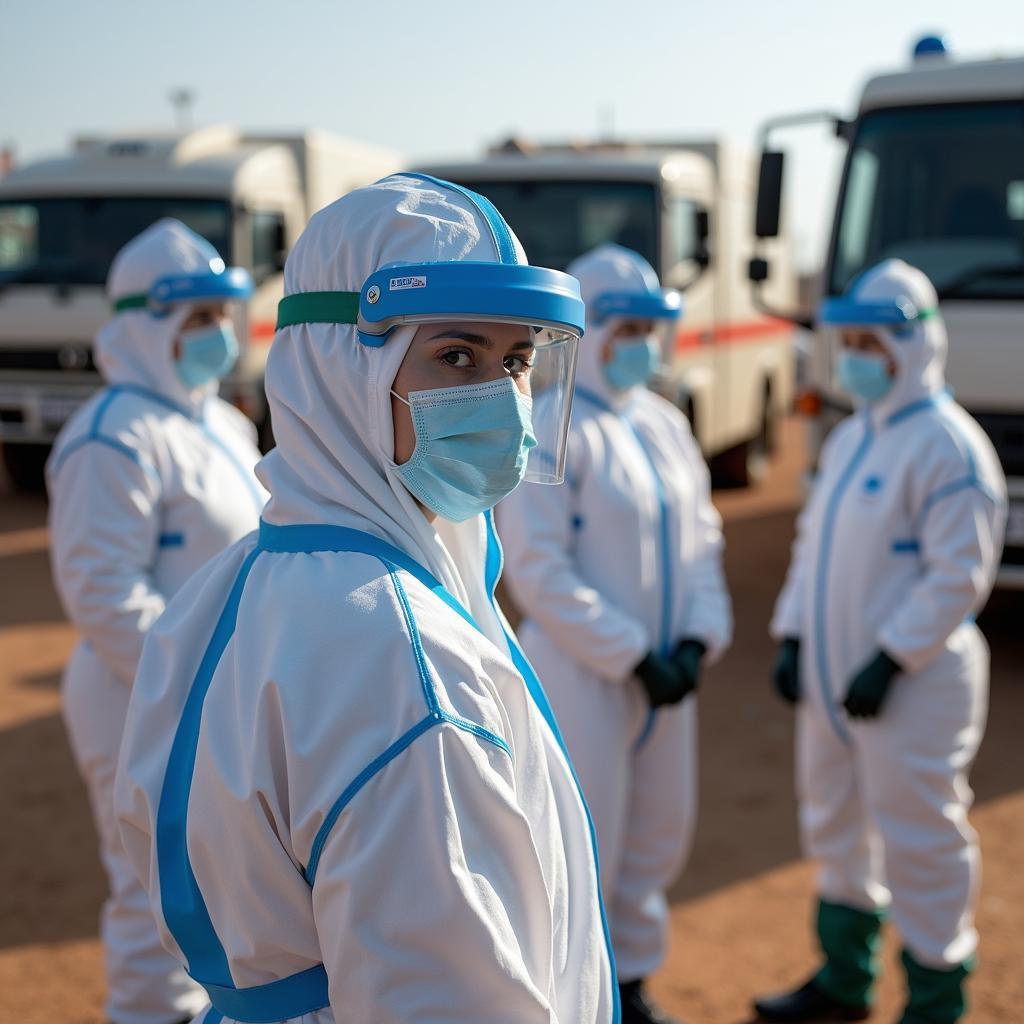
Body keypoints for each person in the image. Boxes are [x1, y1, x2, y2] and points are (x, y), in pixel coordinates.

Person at [114, 174, 618, 1024]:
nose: (501, 397)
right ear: (342, 367)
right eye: (456, 355)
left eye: (518, 361)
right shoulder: (403, 658)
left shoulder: (241, 581)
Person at [755, 259, 1007, 1024]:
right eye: (852, 340)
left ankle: (935, 1000)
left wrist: (894, 656)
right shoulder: (855, 436)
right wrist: (796, 634)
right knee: (833, 825)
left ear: (914, 344)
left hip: (913, 687)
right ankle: (845, 979)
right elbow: (812, 547)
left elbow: (958, 575)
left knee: (920, 838)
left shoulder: (948, 447)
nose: (860, 356)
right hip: (835, 680)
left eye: (875, 341)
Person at [499, 243, 733, 1024]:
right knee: (577, 841)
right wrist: (630, 653)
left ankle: (629, 985)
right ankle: (575, 999)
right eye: (624, 327)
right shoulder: (547, 429)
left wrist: (698, 636)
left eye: (648, 327)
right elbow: (539, 572)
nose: (640, 344)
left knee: (656, 835)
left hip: (667, 679)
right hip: (583, 679)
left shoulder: (664, 424)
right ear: (587, 332)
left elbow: (702, 539)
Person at [47, 219, 267, 1024]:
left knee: (221, 885)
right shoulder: (110, 437)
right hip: (136, 699)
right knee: (152, 892)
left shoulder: (221, 424)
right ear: (145, 323)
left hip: (225, 700)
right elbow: (103, 593)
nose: (216, 333)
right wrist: (203, 683)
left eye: (220, 314)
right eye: (195, 318)